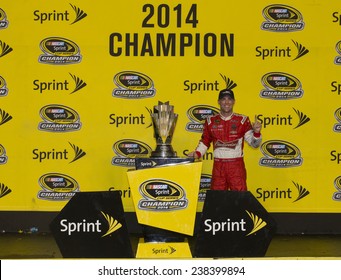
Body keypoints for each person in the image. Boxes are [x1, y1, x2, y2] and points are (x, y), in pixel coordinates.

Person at [188, 88, 262, 191]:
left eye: (229, 99)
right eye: (223, 99)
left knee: (239, 200)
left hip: (236, 167)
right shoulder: (211, 121)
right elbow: (205, 141)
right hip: (219, 166)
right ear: (218, 102)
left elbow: (254, 144)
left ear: (234, 101)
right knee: (217, 201)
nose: (226, 102)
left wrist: (257, 133)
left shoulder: (242, 120)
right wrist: (197, 153)